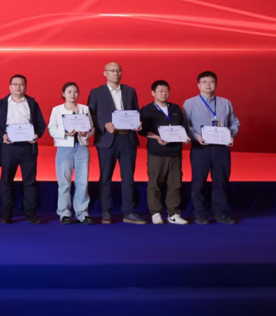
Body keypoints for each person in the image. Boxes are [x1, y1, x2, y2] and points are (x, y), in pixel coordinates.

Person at [88, 62, 145, 224]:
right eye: (112, 71)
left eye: (119, 70)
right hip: (107, 139)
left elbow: (136, 111)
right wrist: (104, 125)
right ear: (105, 73)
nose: (116, 73)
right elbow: (91, 115)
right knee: (105, 177)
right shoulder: (96, 92)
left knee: (128, 177)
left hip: (127, 138)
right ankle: (106, 211)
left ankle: (129, 212)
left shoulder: (130, 91)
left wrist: (139, 122)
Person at [184, 71, 240, 225]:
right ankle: (200, 214)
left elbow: (235, 122)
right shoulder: (190, 103)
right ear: (198, 85)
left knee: (221, 181)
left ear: (216, 84)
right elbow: (186, 125)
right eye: (204, 82)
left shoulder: (225, 103)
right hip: (201, 148)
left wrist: (232, 134)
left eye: (211, 81)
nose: (208, 85)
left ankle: (221, 214)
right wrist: (196, 136)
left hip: (222, 148)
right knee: (198, 182)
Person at [0, 74, 47, 224]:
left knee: (30, 182)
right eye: (15, 84)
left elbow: (41, 124)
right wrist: (2, 135)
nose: (18, 87)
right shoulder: (1, 104)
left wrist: (37, 135)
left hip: (28, 148)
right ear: (9, 87)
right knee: (6, 181)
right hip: (8, 147)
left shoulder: (32, 103)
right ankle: (6, 214)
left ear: (25, 87)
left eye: (21, 84)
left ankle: (31, 213)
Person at [140, 80, 189, 225]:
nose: (164, 94)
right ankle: (155, 213)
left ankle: (173, 214)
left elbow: (183, 126)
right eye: (160, 91)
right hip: (156, 152)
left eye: (167, 91)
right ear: (153, 93)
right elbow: (142, 131)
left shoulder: (175, 108)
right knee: (154, 183)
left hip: (175, 152)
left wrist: (185, 137)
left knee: (175, 183)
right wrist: (157, 137)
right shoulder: (147, 110)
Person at [47, 82, 93, 225]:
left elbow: (91, 128)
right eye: (69, 92)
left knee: (82, 181)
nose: (73, 94)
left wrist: (86, 133)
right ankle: (64, 213)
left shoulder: (84, 108)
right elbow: (51, 129)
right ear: (63, 94)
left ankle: (82, 213)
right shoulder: (57, 110)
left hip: (82, 147)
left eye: (75, 92)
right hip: (64, 147)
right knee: (64, 182)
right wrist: (64, 133)